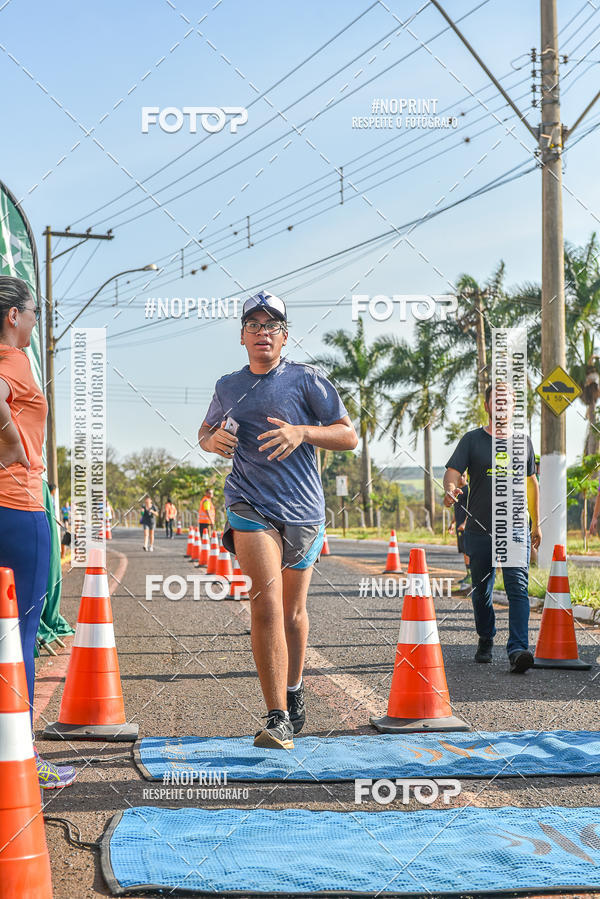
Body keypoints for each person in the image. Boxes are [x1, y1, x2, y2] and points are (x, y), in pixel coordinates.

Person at [199, 290, 357, 749]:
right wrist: (212, 443)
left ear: (284, 337)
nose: (262, 332)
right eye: (254, 325)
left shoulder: (309, 381)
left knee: (293, 612)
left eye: (271, 326)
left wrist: (301, 432)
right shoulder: (228, 385)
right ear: (243, 336)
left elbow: (348, 435)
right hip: (250, 504)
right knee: (265, 601)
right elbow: (205, 431)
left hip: (303, 510)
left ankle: (293, 687)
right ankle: (276, 717)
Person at [0, 276, 76, 788]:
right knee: (19, 634)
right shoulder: (15, 359)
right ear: (13, 317)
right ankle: (22, 759)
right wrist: (14, 445)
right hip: (18, 510)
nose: (34, 321)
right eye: (32, 313)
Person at [443, 382, 541, 674]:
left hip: (515, 528)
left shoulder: (524, 441)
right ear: (486, 406)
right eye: (496, 401)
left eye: (507, 401)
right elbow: (453, 472)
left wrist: (535, 523)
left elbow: (532, 484)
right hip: (479, 528)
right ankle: (486, 638)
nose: (501, 406)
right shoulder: (471, 440)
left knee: (518, 589)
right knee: (481, 590)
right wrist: (450, 489)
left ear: (513, 407)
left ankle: (518, 650)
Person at [453, 472, 471, 589]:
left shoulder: (468, 489)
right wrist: (452, 522)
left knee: (468, 550)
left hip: (467, 525)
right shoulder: (457, 490)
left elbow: (471, 508)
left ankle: (472, 575)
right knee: (463, 550)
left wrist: (465, 523)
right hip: (459, 524)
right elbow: (457, 507)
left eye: (463, 475)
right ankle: (468, 574)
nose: (461, 478)